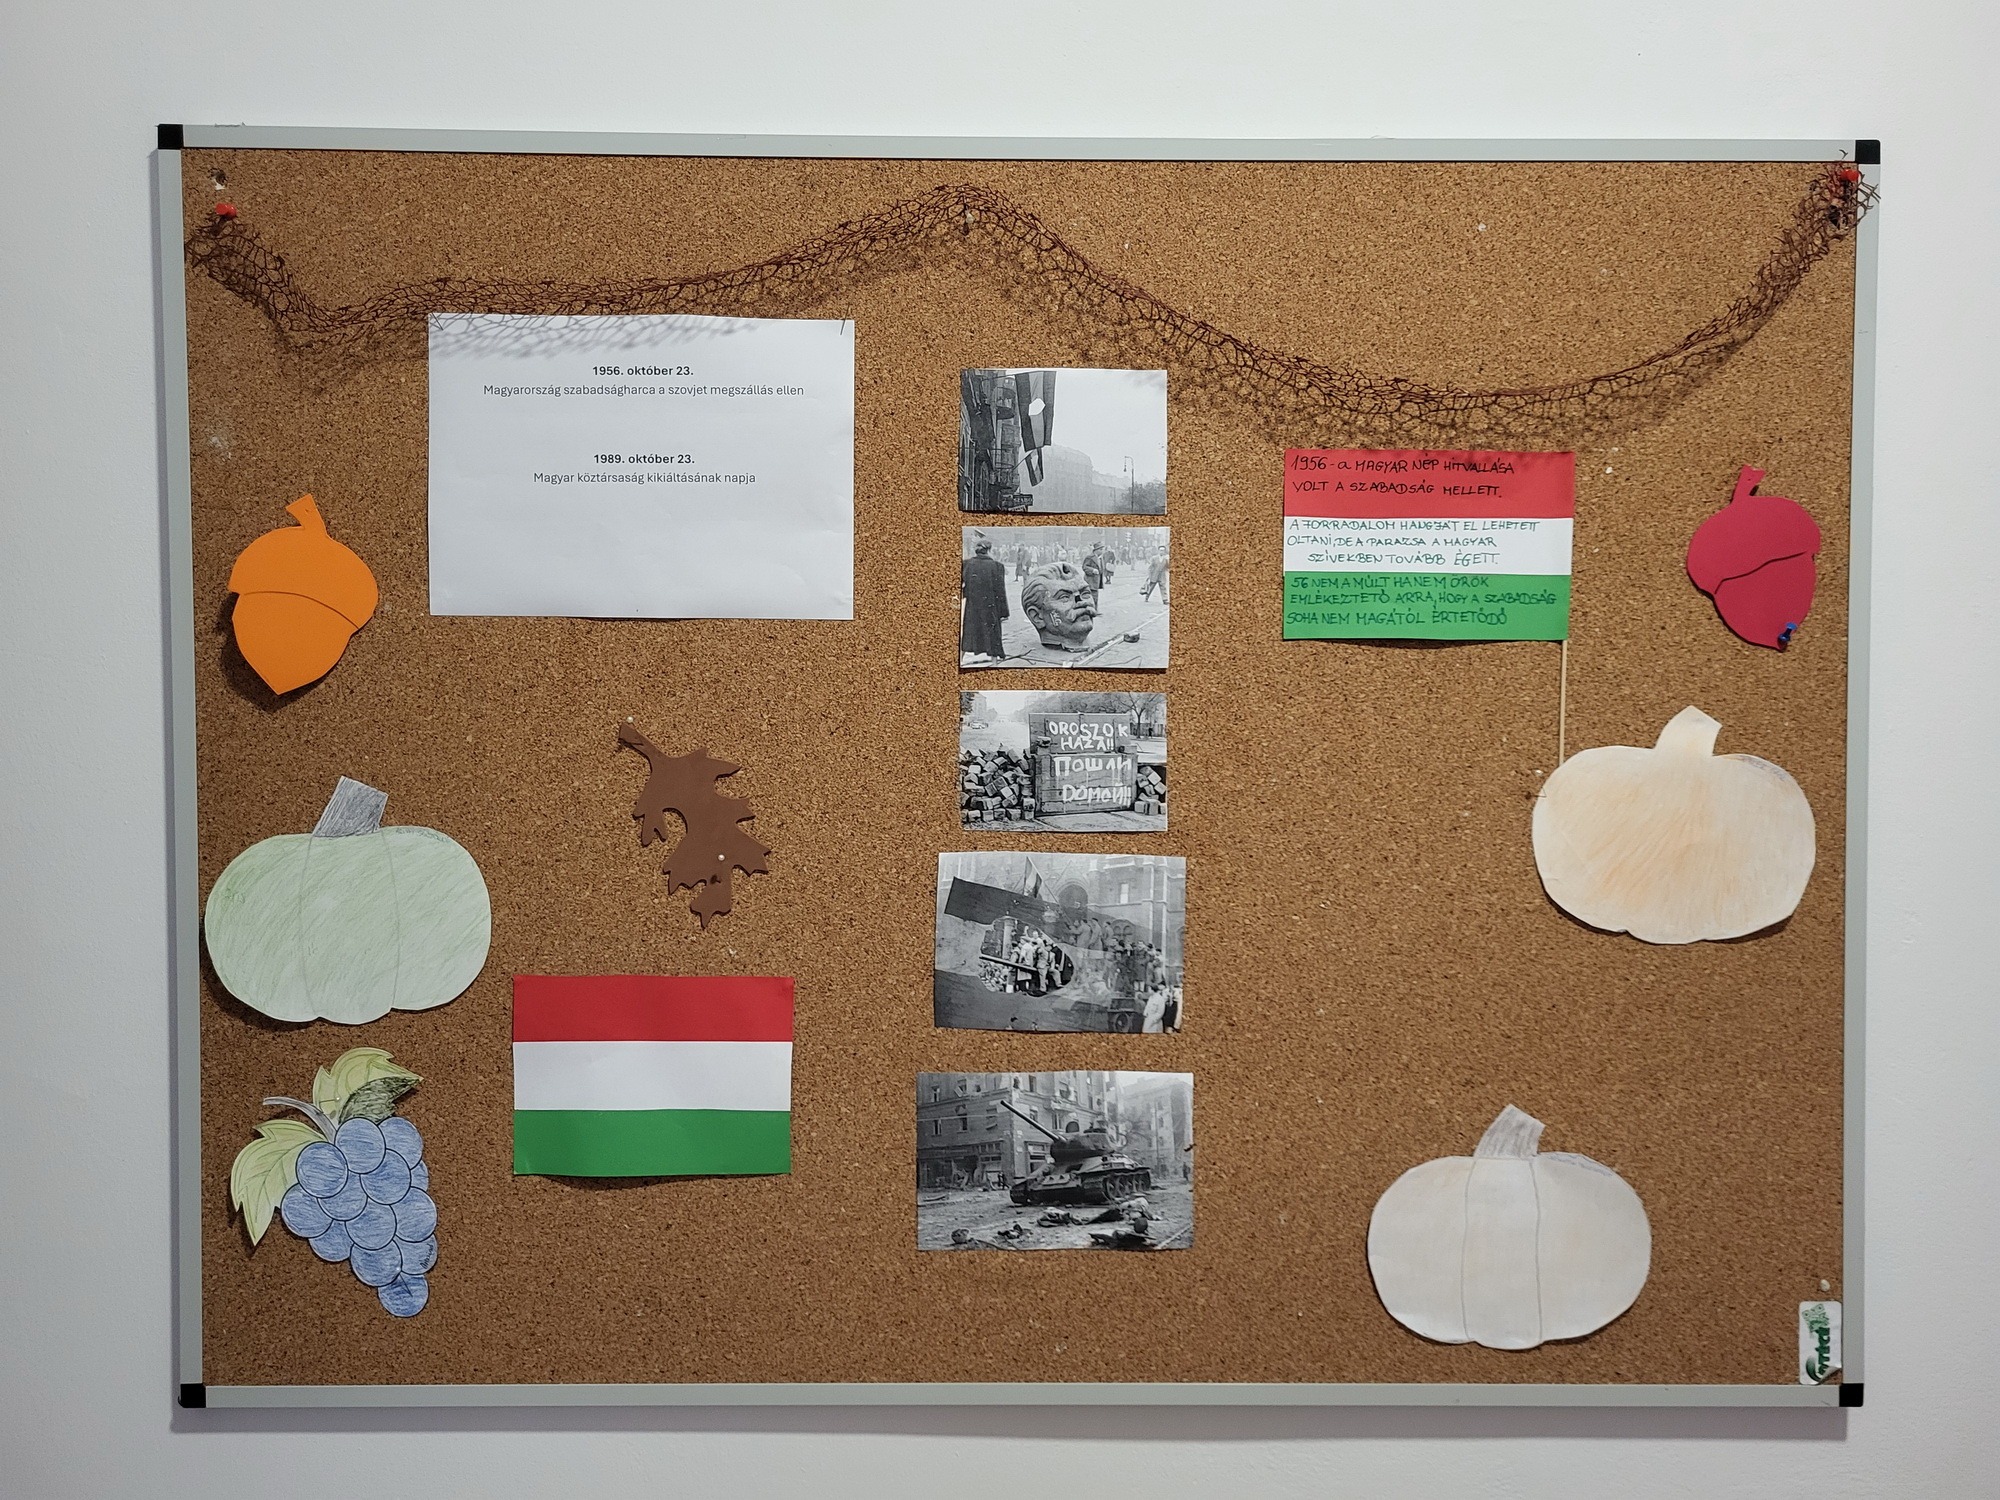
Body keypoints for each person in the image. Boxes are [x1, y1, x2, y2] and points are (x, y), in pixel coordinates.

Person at [960, 534, 1010, 662]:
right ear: (989, 550)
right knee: (992, 634)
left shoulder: (966, 564)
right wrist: (1004, 613)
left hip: (972, 607)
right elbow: (1000, 592)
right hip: (990, 607)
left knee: (969, 633)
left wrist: (967, 594)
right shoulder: (997, 566)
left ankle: (960, 659)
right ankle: (994, 662)